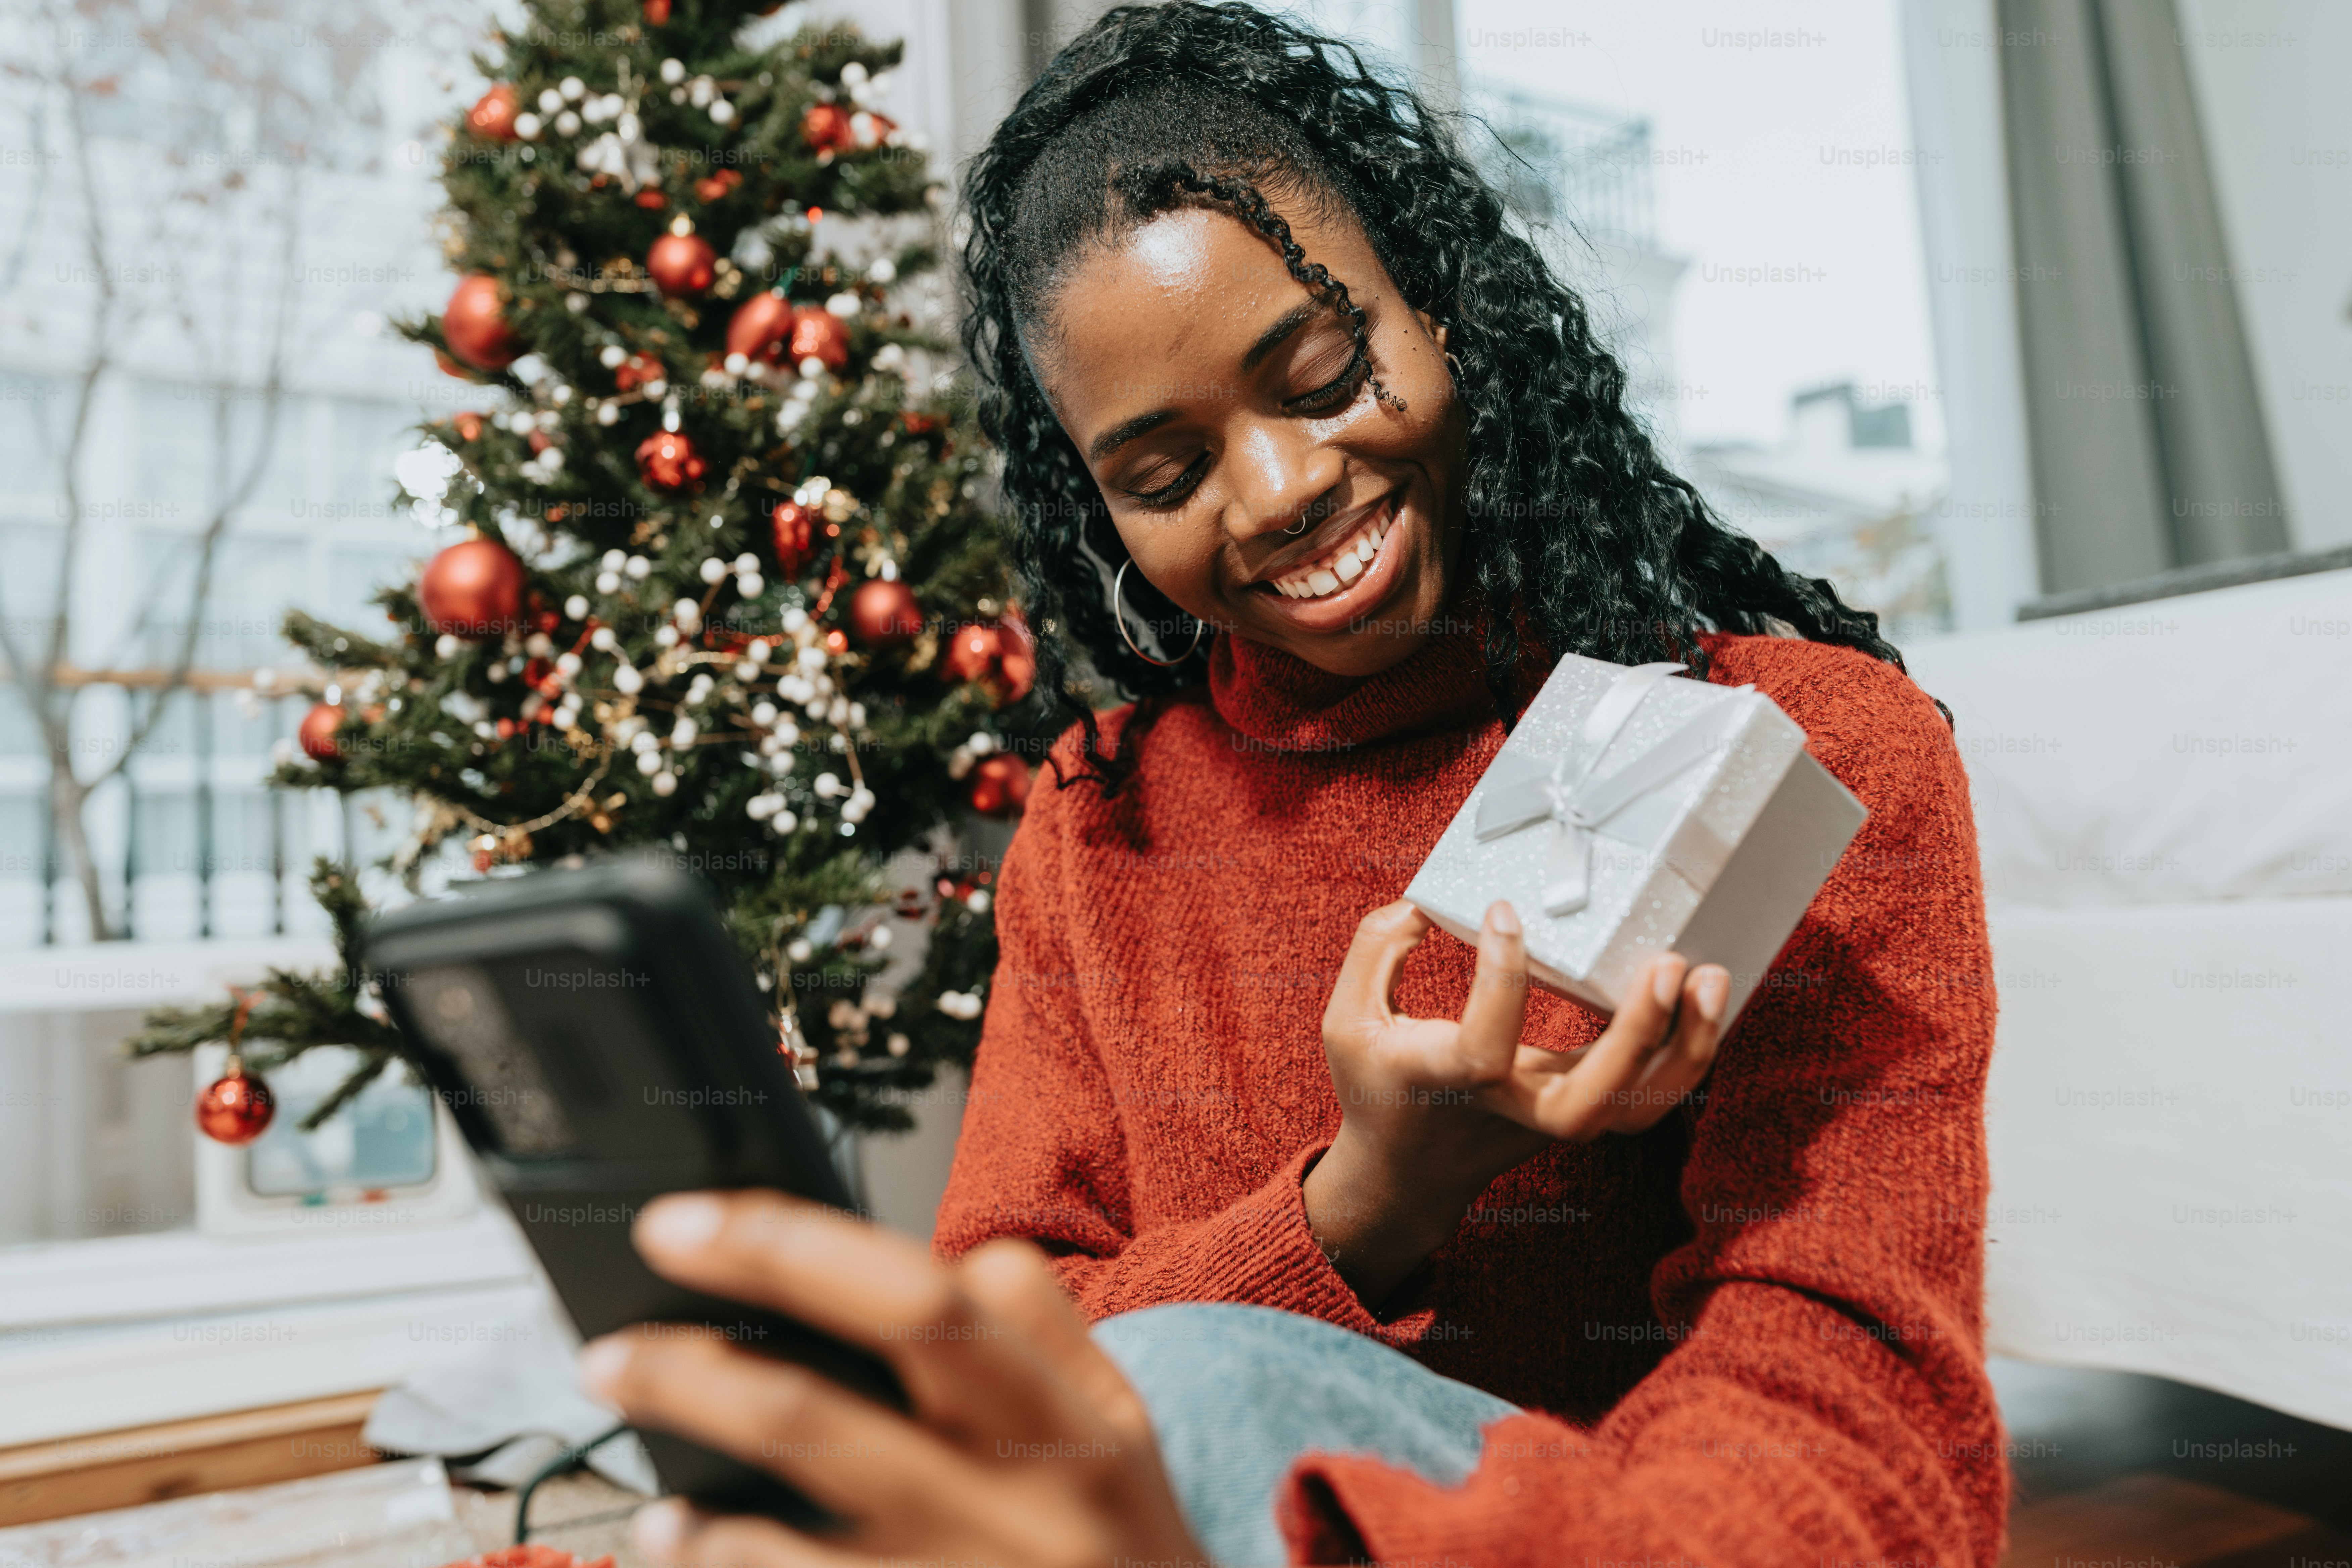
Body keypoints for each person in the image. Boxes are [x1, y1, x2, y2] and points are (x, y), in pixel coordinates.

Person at [578, 4, 2007, 1564]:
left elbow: (1855, 1425)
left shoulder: (1800, 743)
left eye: (1325, 376)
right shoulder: (1101, 822)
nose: (1280, 492)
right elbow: (1017, 1339)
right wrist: (1365, 1202)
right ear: (1102, 512)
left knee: (1174, 1387)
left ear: (1442, 311)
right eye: (1166, 475)